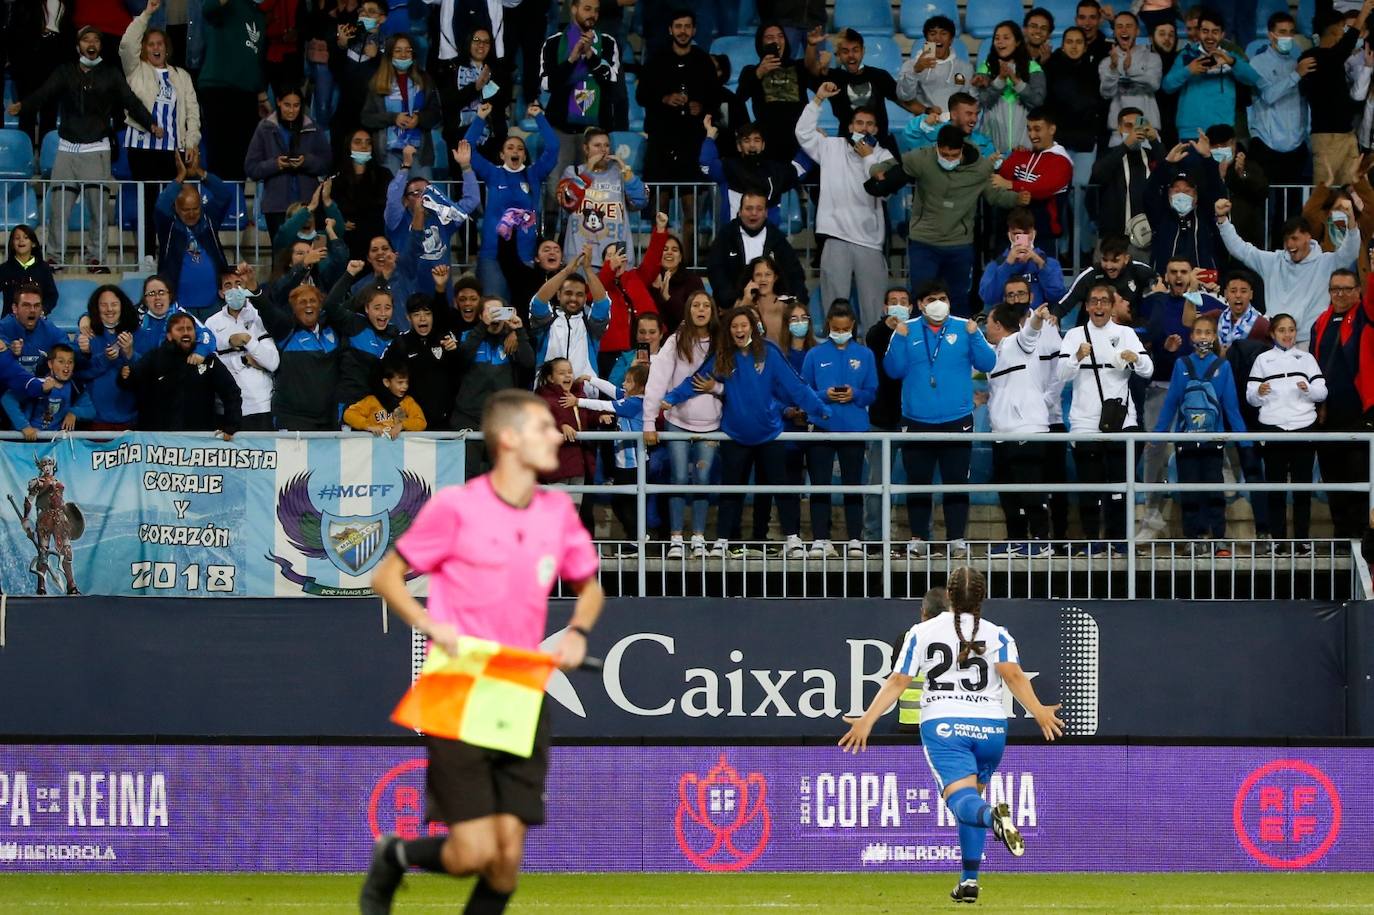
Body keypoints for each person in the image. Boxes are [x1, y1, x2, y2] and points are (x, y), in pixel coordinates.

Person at [361, 389, 603, 915]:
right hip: (461, 685)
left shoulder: (557, 511)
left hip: (522, 691)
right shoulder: (456, 507)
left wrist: (579, 630)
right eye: (543, 426)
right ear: (508, 439)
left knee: (506, 860)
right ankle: (396, 853)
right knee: (473, 853)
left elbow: (590, 586)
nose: (555, 435)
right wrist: (429, 624)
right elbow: (387, 577)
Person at [839, 566, 1063, 906]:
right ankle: (969, 880)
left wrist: (868, 720)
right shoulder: (997, 633)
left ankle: (994, 818)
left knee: (965, 803)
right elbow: (1014, 675)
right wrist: (1039, 711)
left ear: (949, 593)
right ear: (982, 598)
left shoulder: (921, 631)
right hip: (991, 729)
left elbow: (898, 681)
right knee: (970, 801)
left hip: (945, 725)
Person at [661, 305, 830, 557]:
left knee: (781, 488)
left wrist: (819, 408)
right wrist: (672, 397)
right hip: (735, 436)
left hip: (769, 434)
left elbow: (797, 387)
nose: (739, 330)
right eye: (734, 326)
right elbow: (696, 380)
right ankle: (721, 542)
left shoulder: (770, 352)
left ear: (753, 327)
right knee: (731, 491)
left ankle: (792, 540)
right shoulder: (722, 355)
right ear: (729, 331)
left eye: (744, 325)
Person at [7, 26, 159, 272]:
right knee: (59, 208)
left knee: (98, 210)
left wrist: (150, 122)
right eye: (86, 39)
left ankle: (95, 259)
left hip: (97, 150)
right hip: (66, 150)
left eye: (96, 40)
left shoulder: (110, 74)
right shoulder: (65, 72)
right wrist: (23, 106)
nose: (91, 44)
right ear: (78, 45)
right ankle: (55, 257)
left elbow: (130, 101)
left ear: (100, 45)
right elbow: (43, 94)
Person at [884, 280, 996, 558]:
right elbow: (893, 370)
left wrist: (974, 336)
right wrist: (898, 337)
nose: (938, 303)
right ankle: (918, 538)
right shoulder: (906, 330)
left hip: (956, 420)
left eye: (943, 297)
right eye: (932, 298)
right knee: (918, 483)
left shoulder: (963, 326)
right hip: (916, 420)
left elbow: (988, 363)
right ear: (921, 304)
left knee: (956, 483)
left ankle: (957, 539)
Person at [866, 124, 1027, 311]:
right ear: (937, 148)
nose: (948, 159)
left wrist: (1017, 198)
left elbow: (994, 196)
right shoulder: (921, 158)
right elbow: (891, 165)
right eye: (944, 155)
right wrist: (875, 170)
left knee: (957, 299)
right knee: (921, 298)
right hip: (924, 243)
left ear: (962, 149)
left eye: (953, 155)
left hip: (959, 245)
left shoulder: (980, 168)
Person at [1058, 283, 1154, 552]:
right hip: (1084, 423)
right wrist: (1076, 357)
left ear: (1112, 306)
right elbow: (1060, 375)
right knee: (1090, 487)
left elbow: (1148, 370)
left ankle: (1120, 540)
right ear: (1086, 306)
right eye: (1093, 301)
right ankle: (1092, 540)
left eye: (1104, 301)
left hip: (1121, 421)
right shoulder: (1075, 335)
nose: (1099, 306)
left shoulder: (1126, 333)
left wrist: (1135, 358)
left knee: (1120, 487)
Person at [796, 82, 893, 324]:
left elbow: (885, 192)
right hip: (835, 237)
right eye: (859, 123)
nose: (864, 128)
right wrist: (818, 100)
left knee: (874, 314)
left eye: (870, 124)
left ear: (877, 129)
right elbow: (803, 133)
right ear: (850, 127)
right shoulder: (831, 147)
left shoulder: (884, 156)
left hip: (870, 241)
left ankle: (874, 358)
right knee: (835, 311)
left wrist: (868, 157)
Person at [1152, 311, 1247, 554]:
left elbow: (1231, 406)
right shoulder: (1181, 364)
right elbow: (1172, 401)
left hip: (1213, 440)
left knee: (1214, 489)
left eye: (1207, 332)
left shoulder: (1223, 366)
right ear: (1191, 336)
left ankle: (1218, 538)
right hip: (1185, 439)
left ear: (1214, 336)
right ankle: (1194, 537)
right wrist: (1158, 435)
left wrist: (1245, 440)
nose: (1202, 336)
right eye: (1198, 332)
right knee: (1190, 490)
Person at [120, 0, 200, 266]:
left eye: (160, 44)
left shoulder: (181, 76)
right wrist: (147, 14)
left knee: (171, 203)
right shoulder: (135, 70)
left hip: (172, 149)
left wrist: (191, 142)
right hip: (141, 146)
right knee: (148, 200)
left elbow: (191, 113)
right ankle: (147, 254)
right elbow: (126, 43)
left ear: (167, 48)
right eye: (151, 44)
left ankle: (169, 252)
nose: (156, 47)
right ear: (144, 49)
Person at [1215, 197, 1360, 345]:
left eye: (1295, 238)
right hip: (1273, 341)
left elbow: (1351, 252)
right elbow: (1241, 250)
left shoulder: (1326, 262)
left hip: (1308, 341)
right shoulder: (1273, 261)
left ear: (1308, 237)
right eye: (1286, 240)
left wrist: (1351, 220)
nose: (1290, 244)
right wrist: (1222, 221)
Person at [642, 291, 721, 558]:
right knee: (677, 478)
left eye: (706, 305)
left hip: (711, 424)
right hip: (677, 421)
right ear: (688, 310)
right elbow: (657, 381)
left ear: (712, 311)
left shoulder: (722, 343)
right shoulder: (675, 341)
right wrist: (648, 422)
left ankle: (698, 537)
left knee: (702, 480)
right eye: (695, 304)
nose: (701, 309)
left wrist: (716, 388)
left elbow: (732, 383)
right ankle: (676, 538)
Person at [801, 300, 876, 558]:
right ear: (828, 326)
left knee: (852, 484)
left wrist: (855, 395)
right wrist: (825, 395)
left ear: (853, 326)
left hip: (854, 429)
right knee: (820, 485)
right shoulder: (814, 355)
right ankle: (821, 538)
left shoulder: (865, 355)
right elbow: (804, 392)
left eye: (845, 328)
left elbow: (872, 393)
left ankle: (855, 538)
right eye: (836, 327)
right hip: (822, 427)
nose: (840, 331)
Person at [984, 303, 1060, 555]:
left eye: (988, 323)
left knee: (1030, 489)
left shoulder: (1018, 341)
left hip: (1027, 429)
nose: (985, 327)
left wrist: (1037, 319)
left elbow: (1030, 333)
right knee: (1009, 492)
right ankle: (1016, 539)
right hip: (1001, 432)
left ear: (997, 325)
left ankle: (1041, 539)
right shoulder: (992, 352)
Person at [1247, 314, 1327, 554]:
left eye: (1291, 329)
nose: (1287, 334)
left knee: (1303, 487)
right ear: (1272, 333)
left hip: (1304, 426)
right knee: (1275, 487)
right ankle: (1277, 541)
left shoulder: (1307, 358)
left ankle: (1302, 541)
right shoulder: (1262, 360)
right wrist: (1259, 391)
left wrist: (1309, 389)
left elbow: (1322, 392)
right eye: (1282, 329)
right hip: (1273, 428)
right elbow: (1250, 396)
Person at [466, 102, 560, 303]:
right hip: (493, 256)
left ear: (524, 155)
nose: (515, 151)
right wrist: (480, 118)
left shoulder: (533, 174)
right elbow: (468, 149)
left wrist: (540, 117)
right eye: (510, 147)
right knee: (496, 308)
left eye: (520, 148)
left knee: (522, 311)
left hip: (525, 256)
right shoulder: (493, 173)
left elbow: (553, 147)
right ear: (502, 155)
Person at [1309, 268, 1374, 540]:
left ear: (1358, 290)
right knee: (1333, 478)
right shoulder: (1320, 322)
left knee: (1359, 478)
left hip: (1359, 412)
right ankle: (1342, 537)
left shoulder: (1364, 318)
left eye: (1347, 288)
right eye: (1336, 288)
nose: (1341, 294)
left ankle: (1360, 539)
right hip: (1327, 414)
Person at [540, 0, 626, 201]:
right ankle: (557, 232)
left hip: (596, 132)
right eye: (587, 9)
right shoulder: (553, 42)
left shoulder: (607, 42)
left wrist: (590, 55)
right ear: (573, 9)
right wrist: (571, 59)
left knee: (597, 187)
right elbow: (547, 84)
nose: (592, 14)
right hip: (562, 129)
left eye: (596, 10)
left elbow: (611, 79)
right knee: (558, 186)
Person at [451, 297, 536, 476]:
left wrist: (519, 331)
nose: (495, 317)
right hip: (469, 417)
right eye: (490, 312)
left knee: (501, 475)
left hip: (501, 419)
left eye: (499, 312)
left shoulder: (513, 339)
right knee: (468, 474)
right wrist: (482, 328)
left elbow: (529, 363)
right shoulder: (468, 336)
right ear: (481, 315)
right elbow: (460, 361)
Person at [119, 312, 243, 434]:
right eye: (179, 329)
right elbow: (131, 383)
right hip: (158, 442)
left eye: (189, 329)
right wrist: (125, 376)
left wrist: (231, 425)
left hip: (199, 441)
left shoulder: (209, 360)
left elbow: (231, 392)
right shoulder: (154, 358)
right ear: (169, 336)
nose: (186, 333)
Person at [638, 11, 718, 200]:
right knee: (660, 209)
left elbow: (715, 97)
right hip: (661, 140)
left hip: (692, 141)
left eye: (687, 26)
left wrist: (702, 106)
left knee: (692, 207)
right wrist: (664, 99)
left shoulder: (703, 60)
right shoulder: (656, 59)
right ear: (670, 30)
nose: (683, 31)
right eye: (678, 26)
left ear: (694, 30)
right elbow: (641, 95)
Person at [569, 362, 649, 546]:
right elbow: (613, 390)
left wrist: (578, 401)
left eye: (629, 381)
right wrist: (591, 379)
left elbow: (606, 404)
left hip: (634, 465)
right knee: (620, 503)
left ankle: (638, 540)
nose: (624, 384)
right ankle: (636, 538)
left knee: (625, 504)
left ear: (641, 387)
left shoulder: (636, 402)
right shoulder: (630, 398)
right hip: (624, 464)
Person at [244, 87, 333, 239]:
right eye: (287, 105)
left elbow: (326, 163)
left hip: (308, 206)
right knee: (281, 258)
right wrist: (275, 164)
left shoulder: (313, 128)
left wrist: (306, 162)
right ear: (278, 102)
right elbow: (251, 168)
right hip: (277, 207)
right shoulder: (265, 128)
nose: (291, 110)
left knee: (310, 256)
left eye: (296, 105)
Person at [154, 154, 236, 316]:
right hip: (179, 305)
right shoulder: (168, 225)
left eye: (195, 208)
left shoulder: (209, 219)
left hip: (214, 304)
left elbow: (224, 195)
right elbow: (160, 205)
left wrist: (200, 173)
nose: (192, 214)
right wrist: (180, 178)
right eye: (186, 209)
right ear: (176, 208)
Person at [1161, 8, 1260, 139]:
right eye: (1205, 31)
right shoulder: (1186, 55)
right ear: (1199, 32)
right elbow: (1167, 86)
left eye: (1215, 32)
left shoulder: (1230, 56)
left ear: (1222, 34)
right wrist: (1189, 70)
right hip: (1190, 132)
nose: (1209, 37)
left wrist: (1232, 62)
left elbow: (1254, 79)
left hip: (1222, 132)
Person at [557, 127, 647, 268]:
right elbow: (568, 201)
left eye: (606, 145)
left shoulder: (620, 174)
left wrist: (626, 171)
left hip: (617, 261)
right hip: (579, 259)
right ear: (586, 149)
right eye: (597, 146)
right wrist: (589, 171)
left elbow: (641, 201)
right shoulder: (573, 172)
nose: (603, 150)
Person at [197, 0, 267, 183]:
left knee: (242, 159)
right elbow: (209, 10)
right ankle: (218, 207)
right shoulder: (228, 4)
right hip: (219, 88)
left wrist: (261, 95)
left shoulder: (259, 14)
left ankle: (235, 209)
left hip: (247, 94)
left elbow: (256, 58)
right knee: (219, 158)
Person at [804, 28, 902, 156]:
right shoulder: (832, 77)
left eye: (855, 50)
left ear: (863, 51)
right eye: (845, 51)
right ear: (838, 54)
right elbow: (811, 69)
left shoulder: (879, 75)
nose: (851, 55)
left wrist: (927, 111)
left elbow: (905, 102)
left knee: (895, 175)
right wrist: (812, 45)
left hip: (881, 145)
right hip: (847, 147)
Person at [862, 288, 910, 543]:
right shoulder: (877, 333)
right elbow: (872, 339)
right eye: (893, 302)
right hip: (881, 420)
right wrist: (888, 327)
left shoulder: (919, 331)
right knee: (877, 484)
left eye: (903, 302)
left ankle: (920, 539)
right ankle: (872, 538)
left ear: (912, 307)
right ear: (885, 308)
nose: (899, 306)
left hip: (914, 420)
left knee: (919, 484)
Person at [1301, 5, 1369, 188]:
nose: (1344, 33)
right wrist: (1363, 13)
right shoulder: (1313, 58)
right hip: (1326, 139)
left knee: (1353, 191)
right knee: (1325, 194)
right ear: (1333, 30)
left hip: (1347, 135)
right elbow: (1342, 49)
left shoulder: (1335, 58)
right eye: (1342, 28)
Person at [205, 272, 280, 432]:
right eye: (228, 285)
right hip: (227, 408)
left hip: (260, 406)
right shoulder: (211, 323)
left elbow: (273, 363)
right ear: (221, 293)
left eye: (238, 283)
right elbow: (211, 364)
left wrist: (248, 340)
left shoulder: (259, 316)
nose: (234, 289)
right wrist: (233, 348)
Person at [706, 190, 807, 310]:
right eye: (749, 208)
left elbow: (795, 274)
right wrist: (734, 303)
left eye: (759, 209)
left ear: (766, 213)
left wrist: (793, 303)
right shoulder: (725, 236)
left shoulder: (777, 238)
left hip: (771, 308)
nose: (754, 213)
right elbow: (716, 272)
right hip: (733, 307)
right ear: (740, 212)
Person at [360, 34, 442, 176]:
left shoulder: (425, 79)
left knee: (423, 197)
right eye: (398, 51)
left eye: (407, 50)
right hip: (388, 153)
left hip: (419, 152)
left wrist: (419, 118)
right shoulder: (378, 81)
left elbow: (436, 114)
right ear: (390, 54)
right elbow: (366, 118)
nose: (403, 55)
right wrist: (393, 118)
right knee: (392, 196)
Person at [1247, 11, 1313, 187]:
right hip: (1266, 145)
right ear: (1270, 34)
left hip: (1296, 146)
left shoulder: (1297, 62)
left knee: (1293, 205)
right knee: (1268, 204)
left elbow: (1303, 102)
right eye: (1282, 31)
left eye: (1291, 32)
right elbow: (1268, 96)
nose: (1288, 36)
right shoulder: (1257, 63)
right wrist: (1296, 75)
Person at [529, 247, 612, 382]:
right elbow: (538, 302)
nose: (573, 298)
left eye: (579, 294)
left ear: (585, 298)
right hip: (547, 394)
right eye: (568, 293)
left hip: (585, 397)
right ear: (558, 294)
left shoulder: (592, 328)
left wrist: (588, 270)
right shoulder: (546, 322)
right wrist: (566, 271)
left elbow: (603, 304)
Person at [1146, 138, 1225, 276]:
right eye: (1176, 190)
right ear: (1168, 194)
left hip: (1203, 286)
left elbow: (1217, 192)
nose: (1181, 194)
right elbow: (1149, 193)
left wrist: (1208, 158)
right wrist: (1166, 163)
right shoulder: (1161, 217)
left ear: (1196, 196)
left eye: (1187, 191)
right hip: (1165, 287)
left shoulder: (1205, 216)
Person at [995, 108, 1074, 246]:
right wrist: (1014, 158)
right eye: (1029, 129)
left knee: (1037, 267)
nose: (1032, 135)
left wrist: (1011, 185)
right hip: (1011, 230)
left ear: (1052, 129)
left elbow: (1041, 189)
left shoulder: (1062, 161)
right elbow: (1001, 177)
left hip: (1041, 234)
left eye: (1037, 129)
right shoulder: (1022, 154)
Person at [1091, 109, 1163, 260]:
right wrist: (1125, 146)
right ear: (1119, 128)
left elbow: (1169, 173)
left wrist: (1154, 141)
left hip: (1146, 239)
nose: (1134, 131)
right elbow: (1098, 175)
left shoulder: (1151, 156)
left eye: (1138, 126)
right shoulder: (1109, 154)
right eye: (1128, 126)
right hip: (1112, 239)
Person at [736, 22, 811, 163]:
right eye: (770, 37)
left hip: (797, 137)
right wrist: (759, 73)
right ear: (761, 42)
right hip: (767, 139)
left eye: (780, 36)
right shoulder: (751, 71)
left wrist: (812, 46)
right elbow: (739, 98)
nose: (776, 41)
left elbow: (818, 76)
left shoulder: (798, 67)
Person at [973, 21, 1046, 157]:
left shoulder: (1034, 68)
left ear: (1017, 42)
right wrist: (1000, 79)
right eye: (997, 38)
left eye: (1006, 38)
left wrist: (1015, 80)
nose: (1000, 42)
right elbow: (983, 101)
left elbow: (1038, 101)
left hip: (1025, 145)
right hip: (992, 146)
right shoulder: (985, 67)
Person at [74, 285, 140, 431]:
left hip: (131, 418)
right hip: (94, 419)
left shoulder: (136, 331)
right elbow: (76, 373)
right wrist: (99, 358)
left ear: (122, 306)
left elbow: (146, 371)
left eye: (114, 304)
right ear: (96, 308)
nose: (109, 309)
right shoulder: (86, 335)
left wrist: (129, 354)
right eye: (103, 305)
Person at [1057, 234, 1158, 322]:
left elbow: (1160, 287)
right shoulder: (1091, 274)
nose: (1109, 266)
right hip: (1091, 335)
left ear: (1126, 259)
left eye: (1115, 261)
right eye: (1105, 260)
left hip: (1127, 333)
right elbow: (1064, 304)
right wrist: (1053, 316)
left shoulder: (1139, 270)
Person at [978, 207, 1066, 309]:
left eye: (1026, 233)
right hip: (1008, 320)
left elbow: (1057, 296)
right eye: (1016, 234)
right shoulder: (996, 265)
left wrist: (1040, 264)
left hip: (1038, 320)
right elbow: (989, 298)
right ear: (1009, 235)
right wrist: (1007, 265)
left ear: (1033, 234)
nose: (1022, 237)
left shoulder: (1049, 263)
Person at [334, 129, 396, 259]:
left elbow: (386, 206)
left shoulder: (383, 175)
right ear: (348, 146)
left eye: (368, 143)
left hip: (376, 238)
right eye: (358, 142)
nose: (364, 146)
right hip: (348, 241)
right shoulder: (337, 178)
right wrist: (340, 222)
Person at [896, 15, 973, 119]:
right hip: (925, 123)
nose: (937, 38)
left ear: (951, 39)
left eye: (943, 33)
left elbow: (969, 100)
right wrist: (915, 71)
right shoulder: (910, 65)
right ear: (926, 39)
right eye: (932, 34)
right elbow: (904, 97)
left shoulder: (965, 68)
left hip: (954, 126)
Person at [1208, 125, 1269, 250]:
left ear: (1233, 143)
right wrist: (1219, 177)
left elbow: (1262, 192)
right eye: (1215, 146)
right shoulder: (1204, 170)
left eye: (1223, 144)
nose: (1219, 149)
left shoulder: (1249, 165)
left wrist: (1243, 174)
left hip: (1246, 240)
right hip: (1213, 240)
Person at [1099, 11, 1163, 130]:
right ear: (1114, 32)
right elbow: (1106, 93)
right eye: (1119, 26)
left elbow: (1154, 84)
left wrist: (1130, 70)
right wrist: (1113, 68)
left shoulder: (1152, 57)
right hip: (1118, 130)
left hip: (1147, 129)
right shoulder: (1107, 62)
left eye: (1129, 26)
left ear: (1137, 31)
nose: (1124, 30)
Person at [2, 343, 76, 440]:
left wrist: (74, 413)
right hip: (27, 442)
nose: (66, 366)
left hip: (54, 443)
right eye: (61, 361)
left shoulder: (76, 387)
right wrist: (24, 426)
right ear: (50, 364)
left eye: (70, 362)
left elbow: (89, 405)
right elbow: (7, 398)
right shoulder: (36, 384)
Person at [0, 284, 69, 377]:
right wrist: (8, 352)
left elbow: (70, 351)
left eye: (36, 306)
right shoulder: (3, 328)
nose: (32, 310)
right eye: (26, 305)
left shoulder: (50, 330)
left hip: (42, 387)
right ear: (15, 308)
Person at [344, 360, 426, 436]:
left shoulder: (408, 401)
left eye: (407, 382)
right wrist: (368, 426)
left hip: (399, 448)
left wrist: (402, 425)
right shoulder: (372, 400)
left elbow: (421, 422)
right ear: (386, 382)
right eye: (400, 382)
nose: (405, 386)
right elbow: (349, 414)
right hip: (377, 448)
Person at [0, 227, 58, 313]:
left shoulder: (44, 268)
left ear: (33, 243)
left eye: (26, 237)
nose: (21, 240)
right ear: (12, 244)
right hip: (10, 321)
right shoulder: (4, 269)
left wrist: (43, 311)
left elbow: (52, 296)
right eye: (17, 238)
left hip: (36, 320)